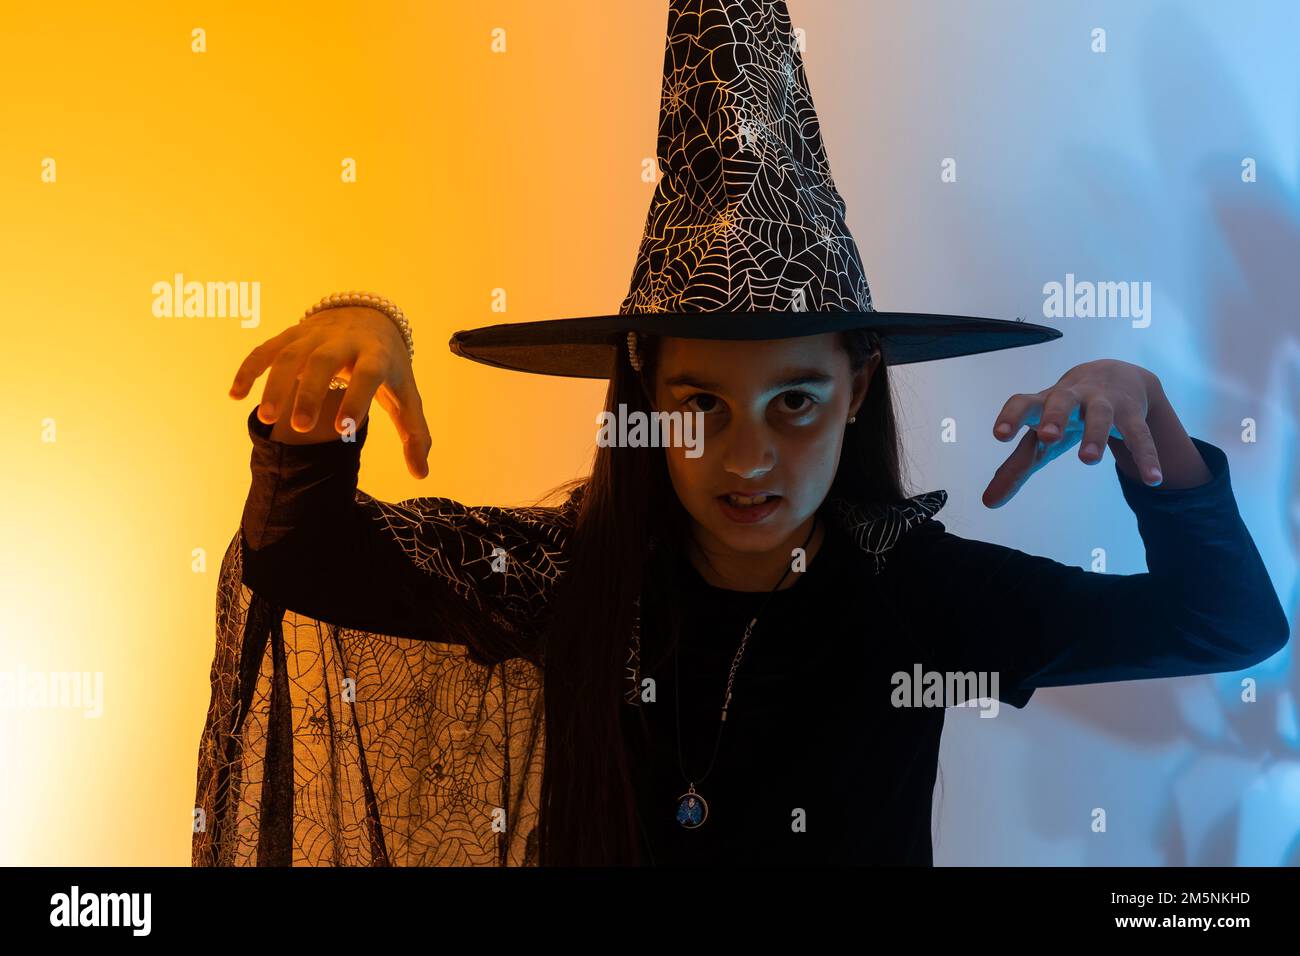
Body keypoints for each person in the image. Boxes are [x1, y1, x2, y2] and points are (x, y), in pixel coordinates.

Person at [191, 0, 1290, 867]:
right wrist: (351, 349)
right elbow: (300, 552)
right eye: (699, 404)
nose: (748, 457)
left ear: (858, 388)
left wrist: (1157, 438)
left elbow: (1225, 625)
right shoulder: (568, 576)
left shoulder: (922, 595)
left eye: (794, 400)